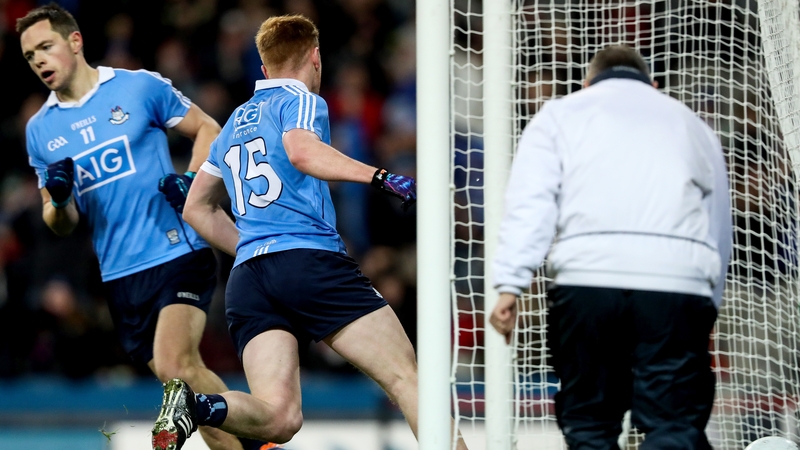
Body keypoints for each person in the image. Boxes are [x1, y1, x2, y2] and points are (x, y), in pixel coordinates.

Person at [150, 14, 468, 450]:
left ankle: (198, 406)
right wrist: (379, 176)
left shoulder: (234, 123)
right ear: (315, 57)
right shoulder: (298, 99)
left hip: (249, 280)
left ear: (263, 68)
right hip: (308, 261)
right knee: (405, 377)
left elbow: (196, 209)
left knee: (279, 418)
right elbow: (301, 152)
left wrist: (253, 247)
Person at [18, 4, 274, 450]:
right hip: (120, 275)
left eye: (45, 46)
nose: (39, 60)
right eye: (29, 55)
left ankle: (266, 435)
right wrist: (59, 198)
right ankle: (259, 444)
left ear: (74, 42)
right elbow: (60, 222)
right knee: (186, 382)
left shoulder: (138, 87)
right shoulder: (40, 130)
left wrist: (194, 183)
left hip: (179, 250)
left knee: (178, 367)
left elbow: (207, 129)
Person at [489, 44, 732, 450]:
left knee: (590, 426)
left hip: (588, 279)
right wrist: (712, 297)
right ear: (653, 85)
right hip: (676, 283)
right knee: (673, 427)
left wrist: (510, 282)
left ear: (586, 83)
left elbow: (531, 204)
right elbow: (717, 220)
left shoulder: (560, 114)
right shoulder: (692, 123)